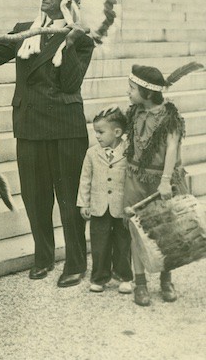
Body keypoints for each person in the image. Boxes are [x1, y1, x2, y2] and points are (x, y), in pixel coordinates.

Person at [0, 0, 118, 287]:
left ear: (65, 0)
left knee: (69, 198)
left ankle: (75, 263)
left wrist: (70, 43)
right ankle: (43, 256)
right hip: (29, 124)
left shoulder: (81, 38)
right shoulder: (23, 31)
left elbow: (70, 83)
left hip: (63, 127)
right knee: (34, 195)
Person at [123, 64, 194, 307]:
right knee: (136, 229)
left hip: (163, 181)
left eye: (132, 89)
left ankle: (166, 279)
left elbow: (172, 149)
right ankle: (140, 282)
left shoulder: (170, 116)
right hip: (135, 178)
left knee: (166, 230)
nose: (128, 93)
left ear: (148, 92)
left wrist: (165, 181)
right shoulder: (134, 112)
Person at [77, 107, 132, 294]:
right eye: (96, 132)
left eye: (101, 132)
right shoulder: (92, 153)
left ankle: (124, 276)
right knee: (99, 244)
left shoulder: (129, 151)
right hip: (99, 207)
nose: (97, 136)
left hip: (121, 207)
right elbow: (85, 179)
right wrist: (84, 203)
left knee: (123, 243)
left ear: (117, 132)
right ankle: (99, 277)